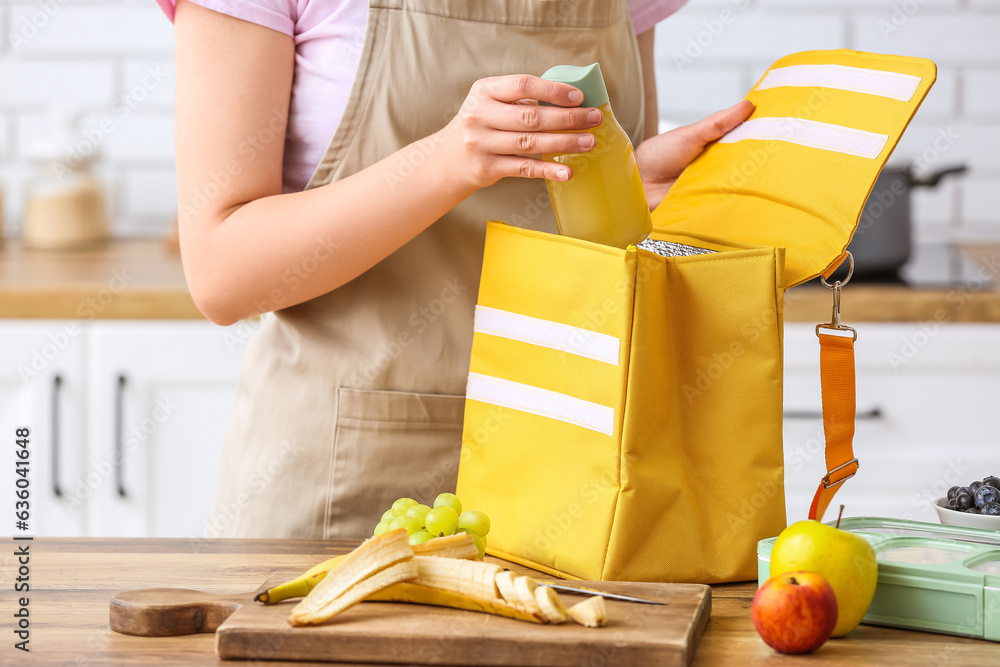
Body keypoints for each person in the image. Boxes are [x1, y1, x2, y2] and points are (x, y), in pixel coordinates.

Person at [157, 0, 754, 539]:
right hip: (346, 480)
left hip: (570, 459)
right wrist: (448, 161)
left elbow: (605, 240)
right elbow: (221, 274)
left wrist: (628, 186)